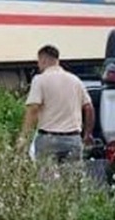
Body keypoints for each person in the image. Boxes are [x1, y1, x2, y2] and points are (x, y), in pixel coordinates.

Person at [17, 45, 95, 176]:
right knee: (72, 182)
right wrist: (87, 134)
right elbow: (89, 108)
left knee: (47, 181)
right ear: (57, 60)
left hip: (48, 139)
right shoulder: (75, 80)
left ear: (43, 60)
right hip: (73, 139)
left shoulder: (39, 80)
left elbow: (33, 109)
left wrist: (24, 136)